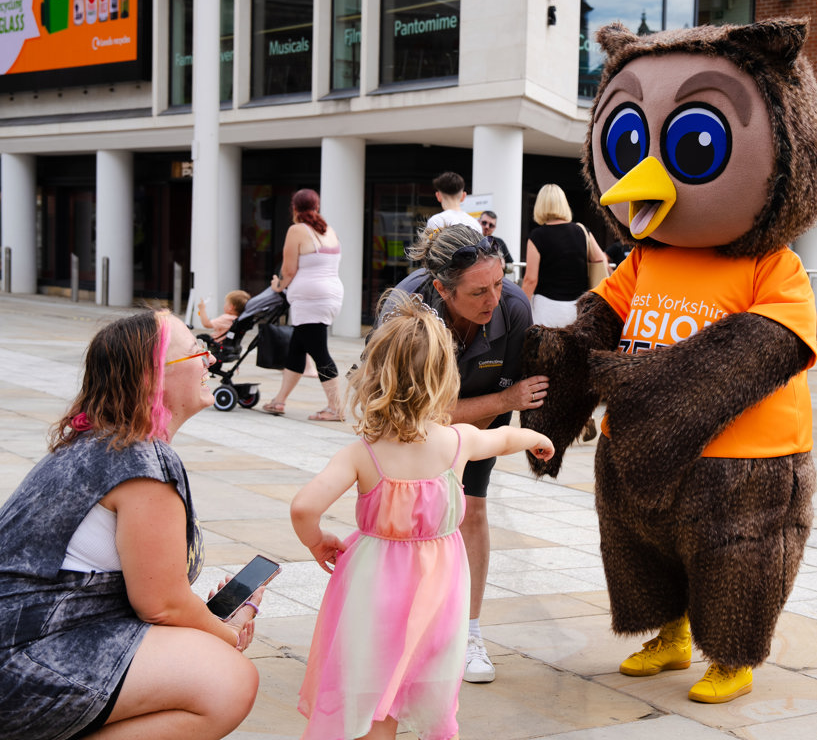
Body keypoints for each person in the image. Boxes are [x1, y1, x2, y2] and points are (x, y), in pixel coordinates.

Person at [293, 295, 554, 740]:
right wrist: (535, 437)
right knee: (427, 677)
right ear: (444, 379)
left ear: (375, 376)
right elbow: (504, 438)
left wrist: (316, 540)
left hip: (373, 586)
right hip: (438, 591)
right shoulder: (458, 441)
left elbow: (303, 507)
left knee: (374, 686)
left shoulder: (361, 454)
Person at [0, 310, 261, 739]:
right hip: (21, 662)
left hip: (29, 643)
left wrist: (209, 619)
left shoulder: (102, 443)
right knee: (227, 681)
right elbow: (161, 605)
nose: (211, 359)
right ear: (152, 377)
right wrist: (228, 635)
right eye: (196, 350)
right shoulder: (140, 459)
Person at [379, 223, 548, 684]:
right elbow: (412, 412)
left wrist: (493, 412)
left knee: (471, 509)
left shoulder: (514, 307)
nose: (493, 298)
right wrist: (503, 400)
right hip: (407, 422)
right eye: (478, 292)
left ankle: (468, 632)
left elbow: (513, 394)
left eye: (497, 282)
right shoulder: (404, 309)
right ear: (442, 289)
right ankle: (404, 630)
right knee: (408, 519)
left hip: (481, 416)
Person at [263, 189, 345, 421]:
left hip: (310, 299)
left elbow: (289, 270)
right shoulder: (329, 230)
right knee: (297, 348)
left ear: (294, 208)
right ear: (316, 207)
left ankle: (336, 408)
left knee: (319, 352)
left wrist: (278, 285)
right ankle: (279, 400)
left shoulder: (297, 230)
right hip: (330, 295)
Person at [521, 183, 607, 328]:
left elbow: (531, 279)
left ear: (540, 206)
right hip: (577, 307)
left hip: (547, 308)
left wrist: (521, 307)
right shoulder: (582, 231)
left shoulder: (537, 236)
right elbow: (600, 259)